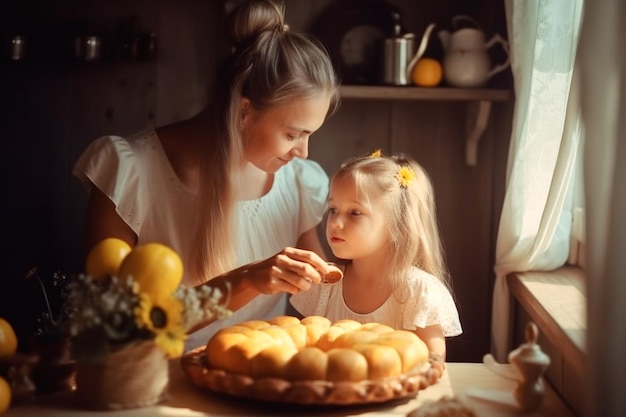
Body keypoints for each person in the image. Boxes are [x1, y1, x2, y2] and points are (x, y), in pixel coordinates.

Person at [72, 0, 340, 350]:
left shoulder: (298, 182)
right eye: (293, 134)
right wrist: (246, 281)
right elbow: (114, 325)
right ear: (244, 111)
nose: (303, 152)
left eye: (309, 134)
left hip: (257, 386)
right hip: (154, 389)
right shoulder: (131, 172)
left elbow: (323, 299)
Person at [290, 151, 462, 359]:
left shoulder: (420, 292)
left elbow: (432, 364)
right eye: (333, 209)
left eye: (355, 212)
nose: (335, 222)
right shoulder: (324, 285)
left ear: (397, 226)